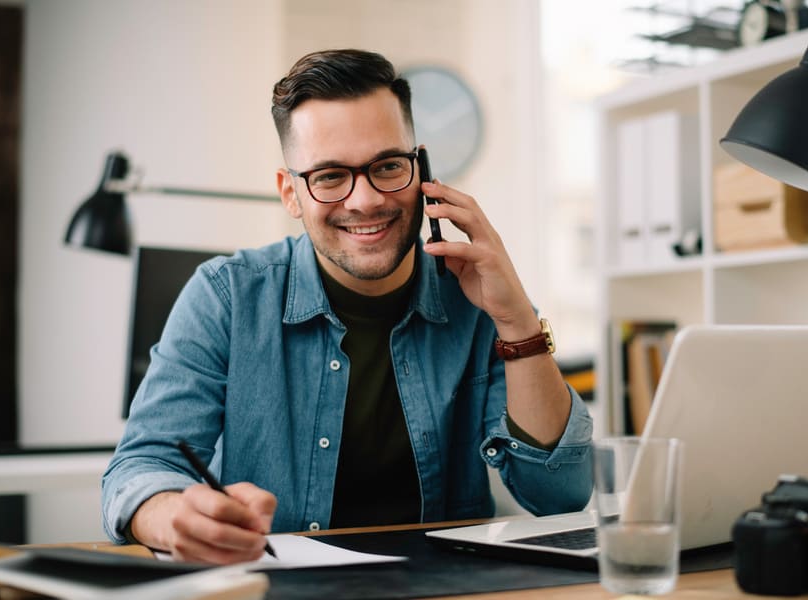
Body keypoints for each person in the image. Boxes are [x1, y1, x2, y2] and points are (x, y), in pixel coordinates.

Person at [102, 49, 593, 565]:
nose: (364, 200)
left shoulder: (480, 298)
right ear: (291, 193)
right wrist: (175, 517)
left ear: (421, 169)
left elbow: (559, 496)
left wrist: (517, 320)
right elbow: (140, 467)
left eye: (386, 166)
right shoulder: (225, 296)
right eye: (330, 176)